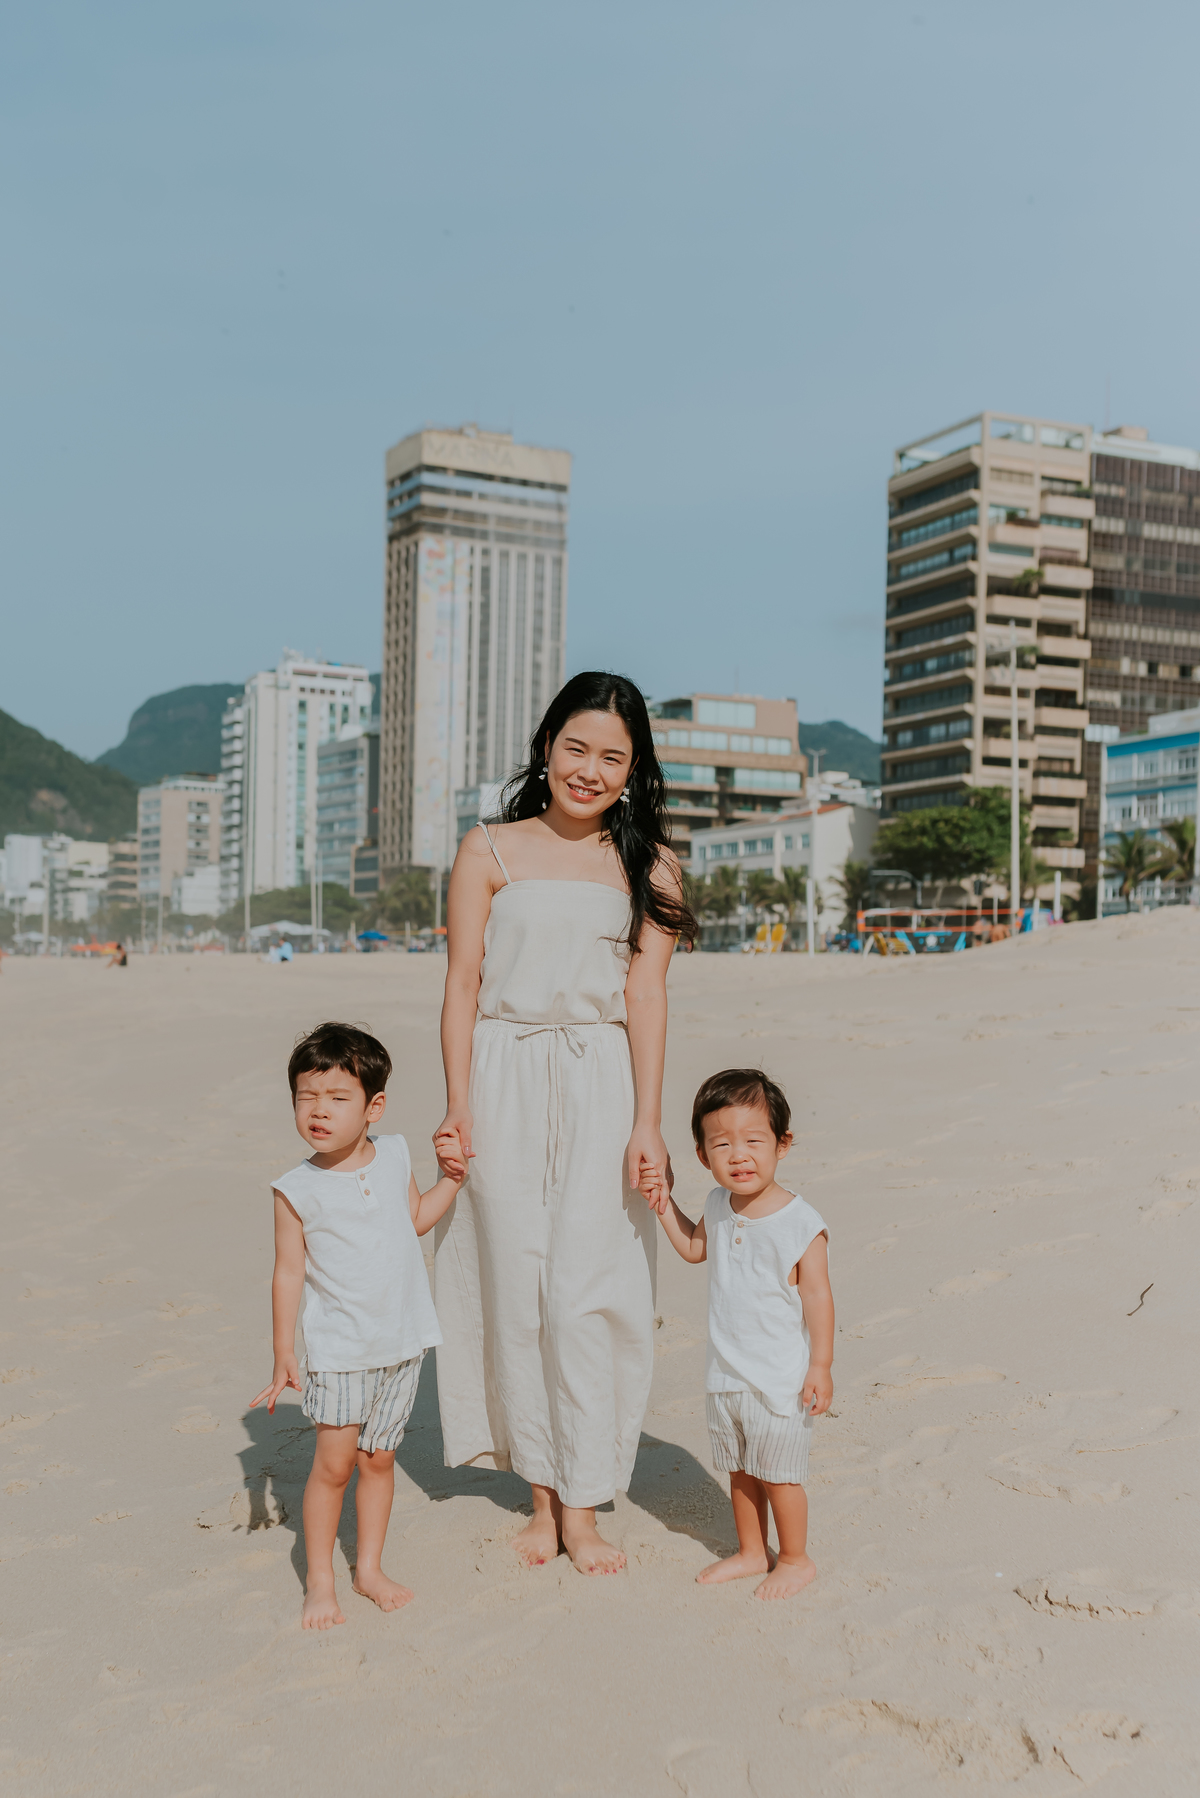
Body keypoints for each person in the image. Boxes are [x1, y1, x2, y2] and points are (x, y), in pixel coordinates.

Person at [433, 672, 694, 1575]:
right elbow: (463, 982)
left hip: (603, 1080)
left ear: (634, 769)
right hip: (502, 1072)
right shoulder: (489, 850)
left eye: (612, 757)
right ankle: (540, 1499)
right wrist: (460, 1102)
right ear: (547, 746)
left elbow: (647, 994)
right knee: (514, 1283)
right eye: (575, 748)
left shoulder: (651, 863)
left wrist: (649, 1121)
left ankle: (586, 1501)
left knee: (591, 1286)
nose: (590, 770)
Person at [250, 1022, 463, 1629]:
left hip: (401, 1343)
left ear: (373, 1106)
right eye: (305, 1097)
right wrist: (282, 1351)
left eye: (337, 1098)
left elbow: (414, 1218)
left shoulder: (395, 1153)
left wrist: (452, 1181)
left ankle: (367, 1567)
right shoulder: (295, 1189)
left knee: (378, 1460)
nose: (319, 1112)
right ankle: (321, 1580)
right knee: (334, 1465)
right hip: (340, 1349)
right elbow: (287, 1274)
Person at [644, 1068, 834, 1600]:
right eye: (721, 1144)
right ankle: (753, 1551)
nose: (739, 1155)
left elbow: (818, 1296)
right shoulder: (716, 1205)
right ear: (703, 1156)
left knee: (780, 1475)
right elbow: (692, 1248)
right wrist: (662, 1204)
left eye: (754, 1141)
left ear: (782, 1143)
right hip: (726, 1373)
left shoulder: (801, 1222)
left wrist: (821, 1364)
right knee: (741, 1470)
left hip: (779, 1378)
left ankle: (795, 1558)